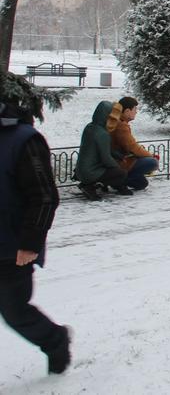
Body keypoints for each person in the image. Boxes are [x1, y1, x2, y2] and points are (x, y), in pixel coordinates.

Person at [0, 101, 71, 376]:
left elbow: (44, 196)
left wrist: (30, 243)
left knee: (15, 311)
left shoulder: (23, 140)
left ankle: (55, 340)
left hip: (10, 246)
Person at [74, 101, 131, 199]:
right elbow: (106, 158)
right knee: (120, 174)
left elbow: (103, 149)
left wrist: (118, 155)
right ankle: (91, 187)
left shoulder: (89, 127)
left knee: (115, 171)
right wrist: (118, 167)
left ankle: (89, 185)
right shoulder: (102, 133)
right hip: (91, 172)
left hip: (80, 171)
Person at [106, 96, 160, 190]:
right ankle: (118, 181)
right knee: (152, 162)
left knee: (142, 184)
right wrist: (150, 156)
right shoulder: (121, 126)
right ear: (127, 111)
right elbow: (133, 147)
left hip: (119, 159)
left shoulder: (119, 122)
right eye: (135, 109)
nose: (136, 112)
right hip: (119, 161)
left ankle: (120, 180)